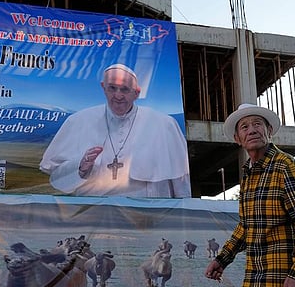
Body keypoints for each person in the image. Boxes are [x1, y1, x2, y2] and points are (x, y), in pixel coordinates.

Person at [205, 103, 295, 287]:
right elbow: (246, 226)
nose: (251, 130)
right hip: (261, 278)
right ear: (237, 138)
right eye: (244, 126)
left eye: (257, 124)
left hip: (281, 281)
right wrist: (222, 259)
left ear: (269, 131)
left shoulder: (285, 167)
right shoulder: (249, 174)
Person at [39, 63, 191, 198]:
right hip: (94, 219)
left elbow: (181, 182)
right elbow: (57, 183)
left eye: (124, 89)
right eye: (112, 88)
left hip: (147, 220)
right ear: (103, 87)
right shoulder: (78, 121)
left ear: (136, 93)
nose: (118, 96)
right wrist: (80, 167)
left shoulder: (164, 125)